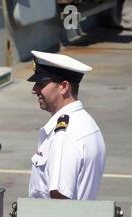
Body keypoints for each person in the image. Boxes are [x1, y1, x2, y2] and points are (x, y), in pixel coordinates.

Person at [27, 50, 105, 200]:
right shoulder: (86, 122)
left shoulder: (64, 135)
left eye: (41, 84)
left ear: (63, 87)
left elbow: (61, 199)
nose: (34, 90)